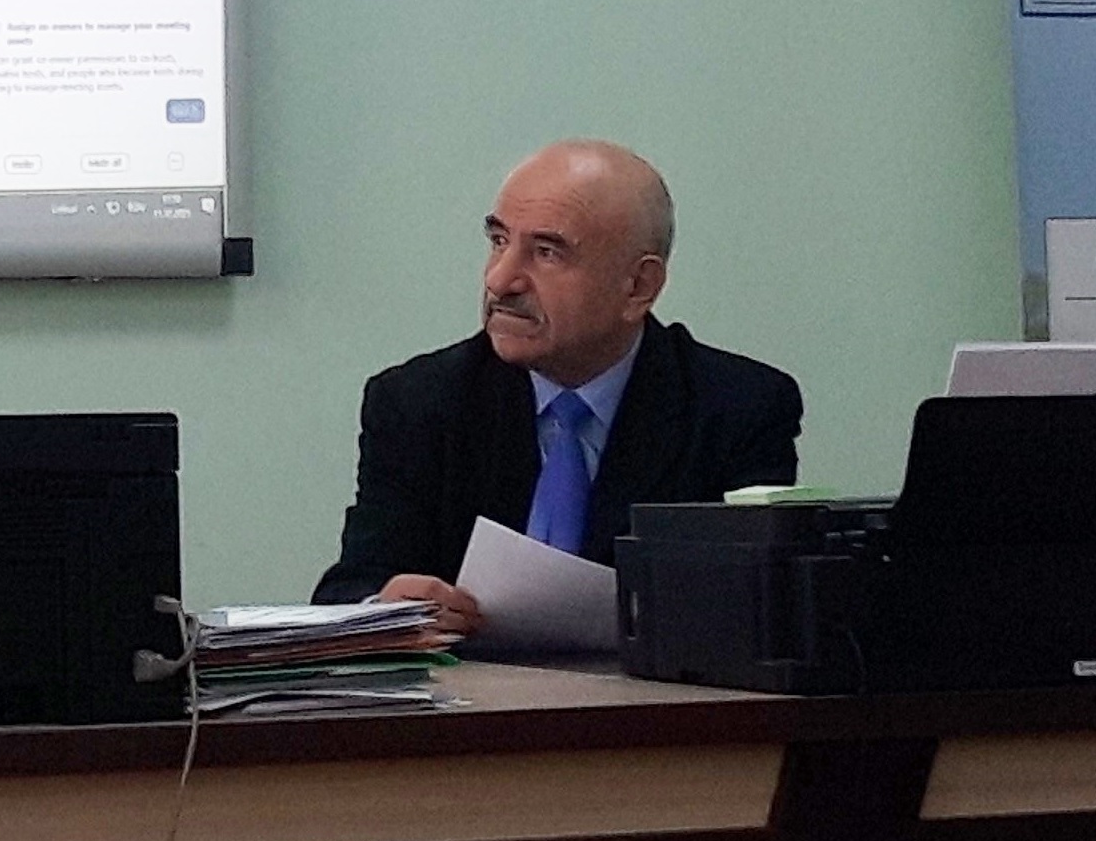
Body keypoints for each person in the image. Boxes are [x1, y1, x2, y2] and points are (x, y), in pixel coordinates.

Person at [318, 139, 801, 624]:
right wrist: (384, 610)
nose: (500, 280)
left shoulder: (737, 410)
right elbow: (350, 588)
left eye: (547, 253)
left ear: (638, 286)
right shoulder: (420, 402)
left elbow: (762, 611)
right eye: (499, 241)